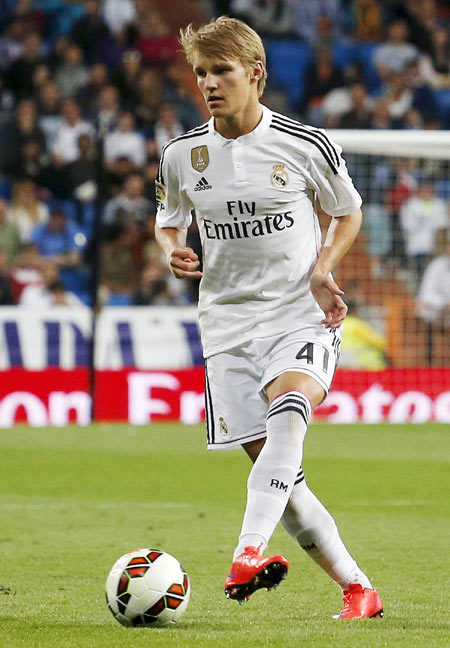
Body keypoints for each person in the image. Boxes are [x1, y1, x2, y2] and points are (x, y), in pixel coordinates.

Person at [155, 16, 383, 620]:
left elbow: (349, 211)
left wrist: (322, 268)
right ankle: (359, 588)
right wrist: (169, 247)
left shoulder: (304, 144)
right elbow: (168, 216)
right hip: (225, 327)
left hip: (298, 315)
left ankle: (246, 551)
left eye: (221, 70)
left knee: (289, 416)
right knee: (283, 479)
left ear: (255, 73)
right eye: (201, 72)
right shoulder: (182, 155)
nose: (209, 82)